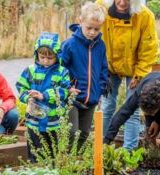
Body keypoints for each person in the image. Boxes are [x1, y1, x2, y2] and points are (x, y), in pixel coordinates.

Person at [96, 0, 159, 150]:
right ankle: (101, 148)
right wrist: (102, 70)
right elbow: (92, 35)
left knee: (132, 109)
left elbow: (148, 49)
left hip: (135, 67)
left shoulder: (145, 16)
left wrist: (139, 76)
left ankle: (128, 151)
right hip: (109, 66)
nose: (122, 3)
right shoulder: (101, 9)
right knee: (107, 105)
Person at [16, 32, 72, 163]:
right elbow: (21, 87)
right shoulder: (29, 71)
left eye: (50, 58)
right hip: (34, 121)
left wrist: (44, 95)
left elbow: (64, 91)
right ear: (37, 55)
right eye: (42, 57)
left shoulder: (62, 72)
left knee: (54, 155)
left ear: (57, 56)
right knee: (35, 154)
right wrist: (27, 98)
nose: (46, 61)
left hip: (54, 122)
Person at [61, 2, 108, 150]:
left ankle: (76, 162)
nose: (93, 32)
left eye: (97, 29)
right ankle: (66, 161)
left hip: (91, 99)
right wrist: (67, 88)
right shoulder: (69, 44)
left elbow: (103, 70)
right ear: (80, 21)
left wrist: (99, 91)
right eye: (89, 28)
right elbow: (61, 69)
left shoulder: (100, 46)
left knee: (84, 133)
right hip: (73, 97)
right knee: (72, 132)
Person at [104, 71, 160, 154]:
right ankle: (153, 158)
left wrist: (157, 121)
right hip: (150, 86)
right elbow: (122, 114)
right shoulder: (140, 95)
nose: (149, 116)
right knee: (150, 132)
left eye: (151, 113)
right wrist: (107, 140)